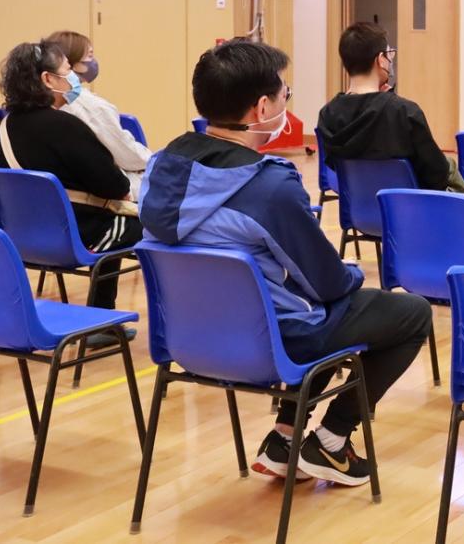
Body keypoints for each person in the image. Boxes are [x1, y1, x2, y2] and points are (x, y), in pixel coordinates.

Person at [140, 39, 432, 486]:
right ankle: (332, 439)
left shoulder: (160, 169)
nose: (285, 103)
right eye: (284, 94)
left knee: (319, 308)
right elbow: (327, 283)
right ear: (262, 108)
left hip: (190, 339)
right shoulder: (269, 187)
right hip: (269, 342)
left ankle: (284, 438)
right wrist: (352, 273)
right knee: (408, 313)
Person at [0, 41, 139, 315]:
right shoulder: (67, 126)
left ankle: (101, 319)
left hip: (20, 240)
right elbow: (117, 187)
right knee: (148, 222)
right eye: (67, 69)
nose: (73, 78)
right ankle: (103, 315)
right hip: (78, 237)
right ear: (48, 79)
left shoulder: (5, 127)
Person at [317, 22, 457, 191]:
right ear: (381, 60)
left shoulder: (327, 114)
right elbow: (437, 174)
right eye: (389, 54)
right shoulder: (404, 112)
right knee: (450, 167)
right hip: (407, 206)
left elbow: (334, 165)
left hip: (358, 205)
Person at [46, 29, 151, 199]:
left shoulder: (37, 111)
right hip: (100, 194)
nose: (93, 61)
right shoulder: (91, 107)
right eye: (89, 55)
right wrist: (155, 159)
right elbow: (127, 156)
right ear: (70, 63)